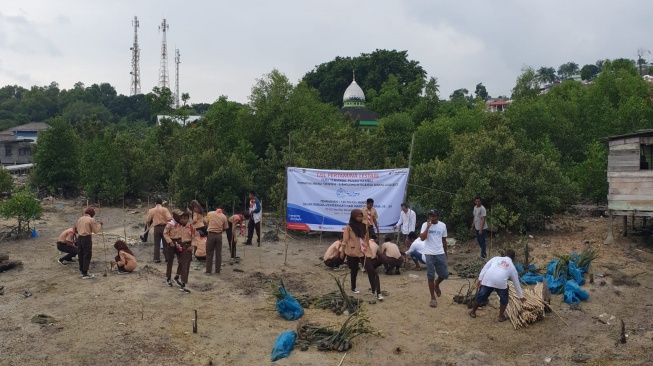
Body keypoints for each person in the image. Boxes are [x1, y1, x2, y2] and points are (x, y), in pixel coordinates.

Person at [468, 249, 526, 322]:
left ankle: (473, 312)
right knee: (504, 299)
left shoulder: (496, 258)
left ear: (505, 255)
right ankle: (500, 317)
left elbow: (485, 267)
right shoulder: (512, 267)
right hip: (500, 282)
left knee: (481, 295)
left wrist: (480, 278)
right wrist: (521, 296)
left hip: (488, 279)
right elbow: (516, 282)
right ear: (513, 258)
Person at [419, 209, 449, 308]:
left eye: (434, 216)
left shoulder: (442, 225)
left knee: (444, 274)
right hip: (429, 253)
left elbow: (444, 240)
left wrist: (445, 253)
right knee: (430, 275)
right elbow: (422, 238)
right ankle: (432, 298)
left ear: (437, 217)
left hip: (440, 253)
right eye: (430, 216)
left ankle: (436, 284)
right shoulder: (425, 225)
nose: (432, 218)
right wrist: (427, 228)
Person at [164, 210, 195, 293]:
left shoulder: (186, 225)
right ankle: (168, 278)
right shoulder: (170, 224)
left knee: (183, 262)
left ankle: (180, 279)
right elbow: (165, 233)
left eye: (183, 217)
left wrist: (192, 245)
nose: (182, 218)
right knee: (170, 261)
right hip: (171, 243)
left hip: (181, 243)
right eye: (180, 216)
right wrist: (170, 242)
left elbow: (193, 236)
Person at [75, 207, 103, 279]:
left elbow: (76, 229)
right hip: (86, 238)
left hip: (79, 238)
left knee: (80, 254)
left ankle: (82, 271)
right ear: (92, 214)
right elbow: (95, 231)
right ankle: (85, 273)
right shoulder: (91, 219)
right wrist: (100, 224)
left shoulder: (80, 219)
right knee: (87, 254)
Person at [343, 209, 366, 294]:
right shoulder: (349, 226)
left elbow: (365, 237)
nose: (359, 218)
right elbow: (345, 239)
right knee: (354, 269)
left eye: (361, 216)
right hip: (352, 251)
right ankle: (353, 287)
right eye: (358, 216)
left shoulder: (362, 225)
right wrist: (342, 250)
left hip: (361, 250)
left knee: (368, 267)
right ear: (353, 216)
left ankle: (374, 288)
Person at [144, 197, 173, 263]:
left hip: (156, 228)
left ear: (155, 203)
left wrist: (148, 227)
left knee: (156, 244)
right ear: (162, 203)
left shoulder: (151, 210)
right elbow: (169, 218)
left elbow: (148, 220)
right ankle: (167, 258)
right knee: (165, 243)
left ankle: (156, 258)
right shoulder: (165, 209)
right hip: (164, 227)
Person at [205, 206, 228, 274]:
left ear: (216, 209)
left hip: (211, 234)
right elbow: (225, 227)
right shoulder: (224, 216)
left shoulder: (209, 213)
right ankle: (217, 271)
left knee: (209, 253)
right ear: (222, 210)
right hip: (219, 235)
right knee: (218, 254)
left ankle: (208, 271)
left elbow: (206, 222)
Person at [364, 236, 384, 300]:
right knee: (375, 276)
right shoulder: (376, 245)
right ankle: (378, 293)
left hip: (365, 261)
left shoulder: (365, 243)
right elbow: (380, 254)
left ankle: (374, 290)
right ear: (375, 239)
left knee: (371, 274)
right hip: (369, 260)